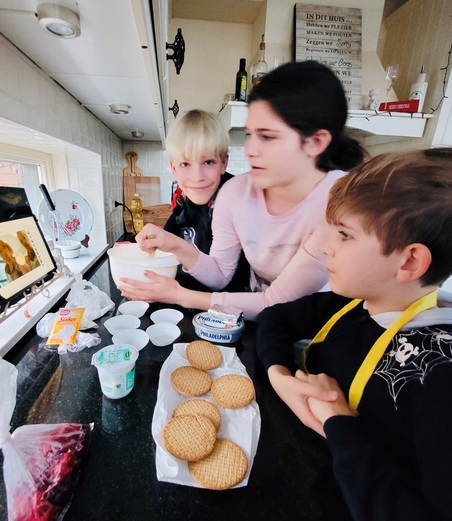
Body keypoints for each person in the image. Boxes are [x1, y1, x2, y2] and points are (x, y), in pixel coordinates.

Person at [255, 148, 452, 520]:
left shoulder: (438, 374)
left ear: (409, 261)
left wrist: (340, 425)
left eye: (345, 235)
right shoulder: (356, 303)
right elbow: (275, 318)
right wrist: (279, 376)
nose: (327, 245)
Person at [119, 61, 365, 320]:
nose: (249, 149)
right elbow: (220, 275)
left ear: (315, 142)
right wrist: (175, 244)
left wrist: (178, 295)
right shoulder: (235, 193)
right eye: (250, 134)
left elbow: (275, 303)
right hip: (259, 325)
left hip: (318, 327)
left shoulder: (340, 203)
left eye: (267, 136)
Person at [158, 109, 249, 292]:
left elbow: (226, 279)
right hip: (190, 295)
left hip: (230, 304)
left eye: (208, 162)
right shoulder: (183, 198)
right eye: (186, 164)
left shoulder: (234, 197)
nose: (197, 177)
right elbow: (165, 241)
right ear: (174, 168)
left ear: (224, 163)